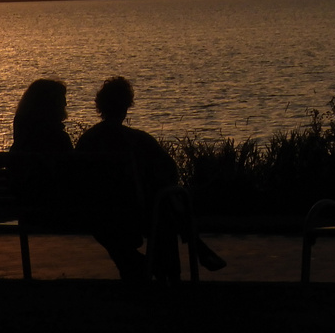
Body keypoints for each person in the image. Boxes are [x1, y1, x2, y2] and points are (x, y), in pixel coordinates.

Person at [75, 76, 225, 280]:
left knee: (161, 200)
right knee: (164, 204)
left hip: (98, 211)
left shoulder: (87, 141)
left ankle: (177, 254)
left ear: (100, 106)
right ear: (127, 105)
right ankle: (184, 257)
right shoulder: (138, 140)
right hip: (137, 212)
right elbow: (171, 171)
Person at [9, 78, 75, 228]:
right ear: (51, 104)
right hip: (54, 208)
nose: (65, 104)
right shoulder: (58, 139)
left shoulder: (22, 139)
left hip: (24, 205)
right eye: (61, 100)